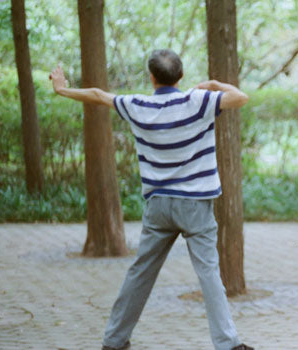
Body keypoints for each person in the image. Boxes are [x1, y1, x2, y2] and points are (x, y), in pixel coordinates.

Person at [50, 49, 254, 350]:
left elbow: (97, 94)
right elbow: (241, 97)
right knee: (209, 274)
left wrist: (62, 89)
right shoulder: (197, 102)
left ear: (152, 77)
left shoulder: (137, 105)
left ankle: (114, 340)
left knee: (140, 273)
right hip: (195, 205)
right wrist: (212, 83)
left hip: (158, 205)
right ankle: (228, 344)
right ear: (181, 76)